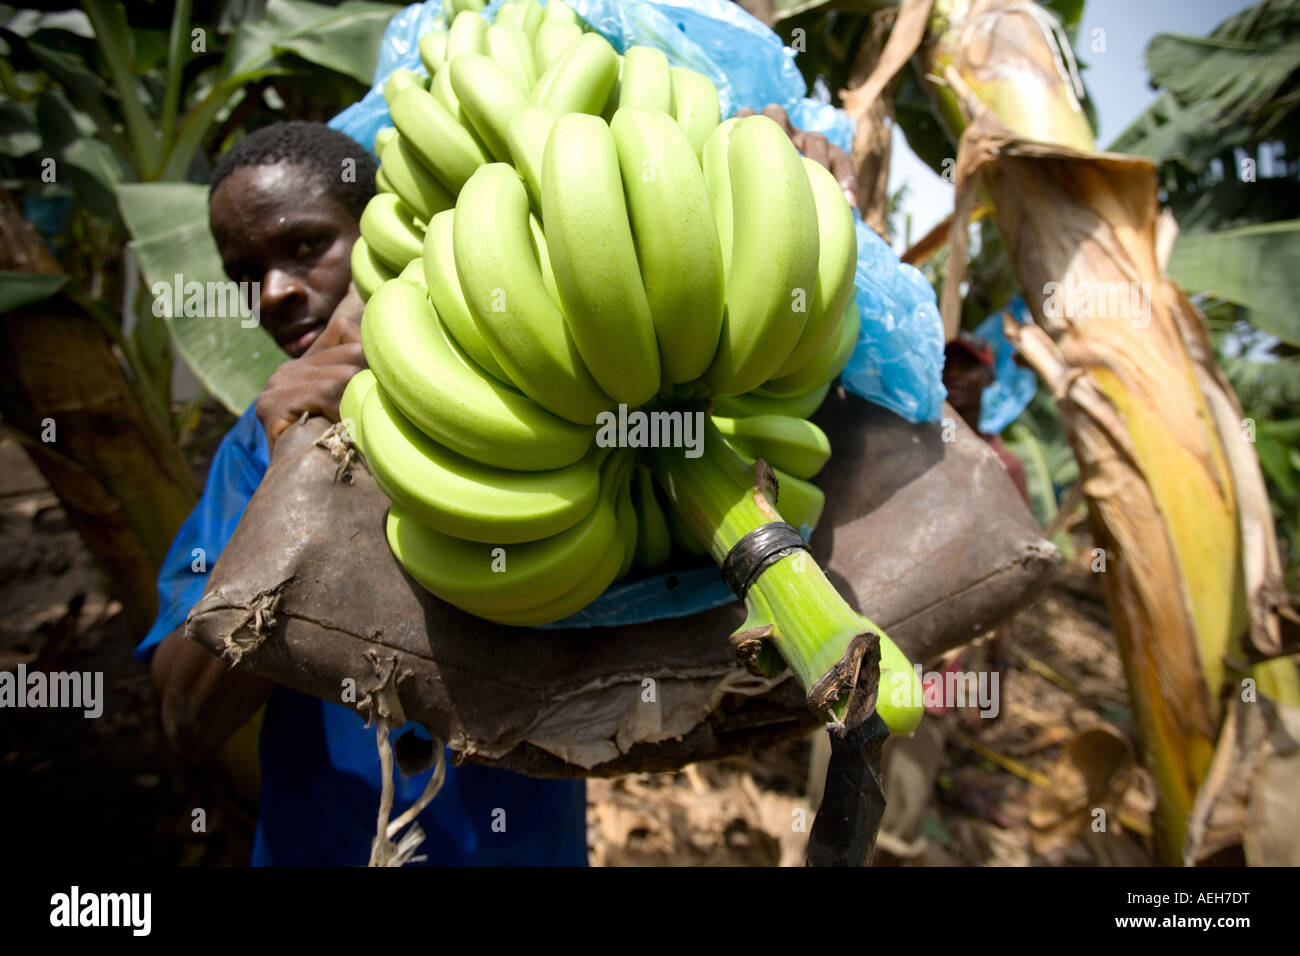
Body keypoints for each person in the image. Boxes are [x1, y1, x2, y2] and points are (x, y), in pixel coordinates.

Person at [140, 111, 858, 866]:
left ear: (387, 232)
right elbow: (185, 717)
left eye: (306, 245)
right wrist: (296, 477)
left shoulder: (563, 411)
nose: (275, 292)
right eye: (244, 275)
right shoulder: (256, 448)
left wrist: (780, 199)